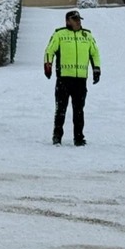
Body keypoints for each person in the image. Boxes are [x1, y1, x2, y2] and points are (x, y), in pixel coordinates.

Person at [43, 9, 101, 146]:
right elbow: (49, 50)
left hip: (80, 79)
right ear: (67, 21)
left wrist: (96, 69)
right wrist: (48, 65)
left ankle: (79, 138)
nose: (78, 22)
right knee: (61, 109)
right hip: (64, 79)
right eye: (75, 19)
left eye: (79, 19)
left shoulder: (87, 36)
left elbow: (94, 53)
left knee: (79, 110)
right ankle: (57, 136)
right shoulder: (59, 34)